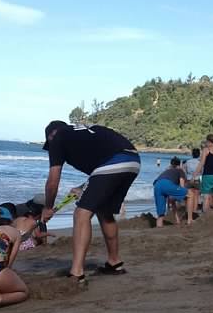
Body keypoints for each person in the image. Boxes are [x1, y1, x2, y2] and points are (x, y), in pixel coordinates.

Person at [40, 120, 141, 286]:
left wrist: (48, 207)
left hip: (115, 161)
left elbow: (52, 181)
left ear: (51, 136)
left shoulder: (58, 138)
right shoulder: (86, 131)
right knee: (104, 211)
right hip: (133, 160)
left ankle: (77, 273)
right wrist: (83, 187)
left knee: (81, 214)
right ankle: (114, 263)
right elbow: (102, 163)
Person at [153, 157, 193, 227]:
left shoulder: (167, 170)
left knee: (161, 214)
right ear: (179, 165)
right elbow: (182, 186)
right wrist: (181, 197)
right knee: (190, 194)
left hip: (157, 185)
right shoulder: (180, 171)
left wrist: (177, 219)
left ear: (171, 164)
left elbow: (171, 199)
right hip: (167, 184)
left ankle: (159, 227)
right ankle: (190, 220)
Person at [193, 134, 213, 212]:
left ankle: (205, 215)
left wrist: (194, 174)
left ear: (209, 141)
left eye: (206, 142)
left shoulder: (206, 150)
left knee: (206, 196)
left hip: (208, 176)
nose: (206, 143)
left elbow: (202, 163)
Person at [183, 148, 201, 214]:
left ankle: (188, 211)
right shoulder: (200, 163)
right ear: (199, 154)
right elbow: (201, 171)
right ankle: (194, 211)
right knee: (196, 197)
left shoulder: (188, 162)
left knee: (189, 196)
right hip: (196, 180)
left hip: (188, 180)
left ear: (192, 154)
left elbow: (184, 171)